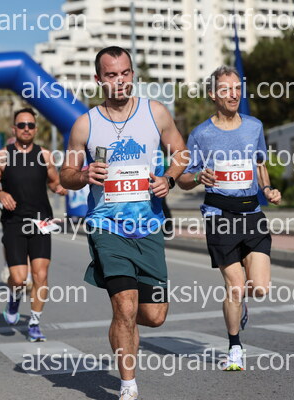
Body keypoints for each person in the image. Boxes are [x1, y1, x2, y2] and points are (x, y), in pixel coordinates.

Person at [59, 46, 188, 400]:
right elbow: (66, 173)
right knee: (126, 305)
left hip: (149, 226)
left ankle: (121, 325)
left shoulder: (155, 112)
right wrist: (83, 175)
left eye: (125, 73)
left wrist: (170, 179)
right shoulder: (86, 124)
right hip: (107, 226)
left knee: (155, 315)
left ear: (133, 74)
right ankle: (128, 385)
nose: (120, 81)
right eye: (112, 74)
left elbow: (181, 152)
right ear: (98, 79)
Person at [178, 66, 282, 371]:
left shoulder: (254, 127)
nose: (233, 94)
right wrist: (198, 176)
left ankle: (241, 304)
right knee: (235, 287)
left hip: (252, 213)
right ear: (213, 94)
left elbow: (260, 163)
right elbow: (183, 178)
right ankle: (235, 347)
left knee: (259, 288)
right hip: (219, 216)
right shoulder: (200, 134)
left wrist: (268, 189)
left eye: (237, 88)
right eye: (226, 89)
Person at [0, 107, 67, 342]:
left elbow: (54, 182)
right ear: (14, 129)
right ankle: (14, 297)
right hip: (14, 222)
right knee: (20, 279)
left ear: (36, 129)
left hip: (41, 221)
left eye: (30, 125)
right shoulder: (2, 156)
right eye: (22, 125)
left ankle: (34, 323)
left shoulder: (45, 156)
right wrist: (0, 194)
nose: (26, 129)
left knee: (41, 274)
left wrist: (62, 188)